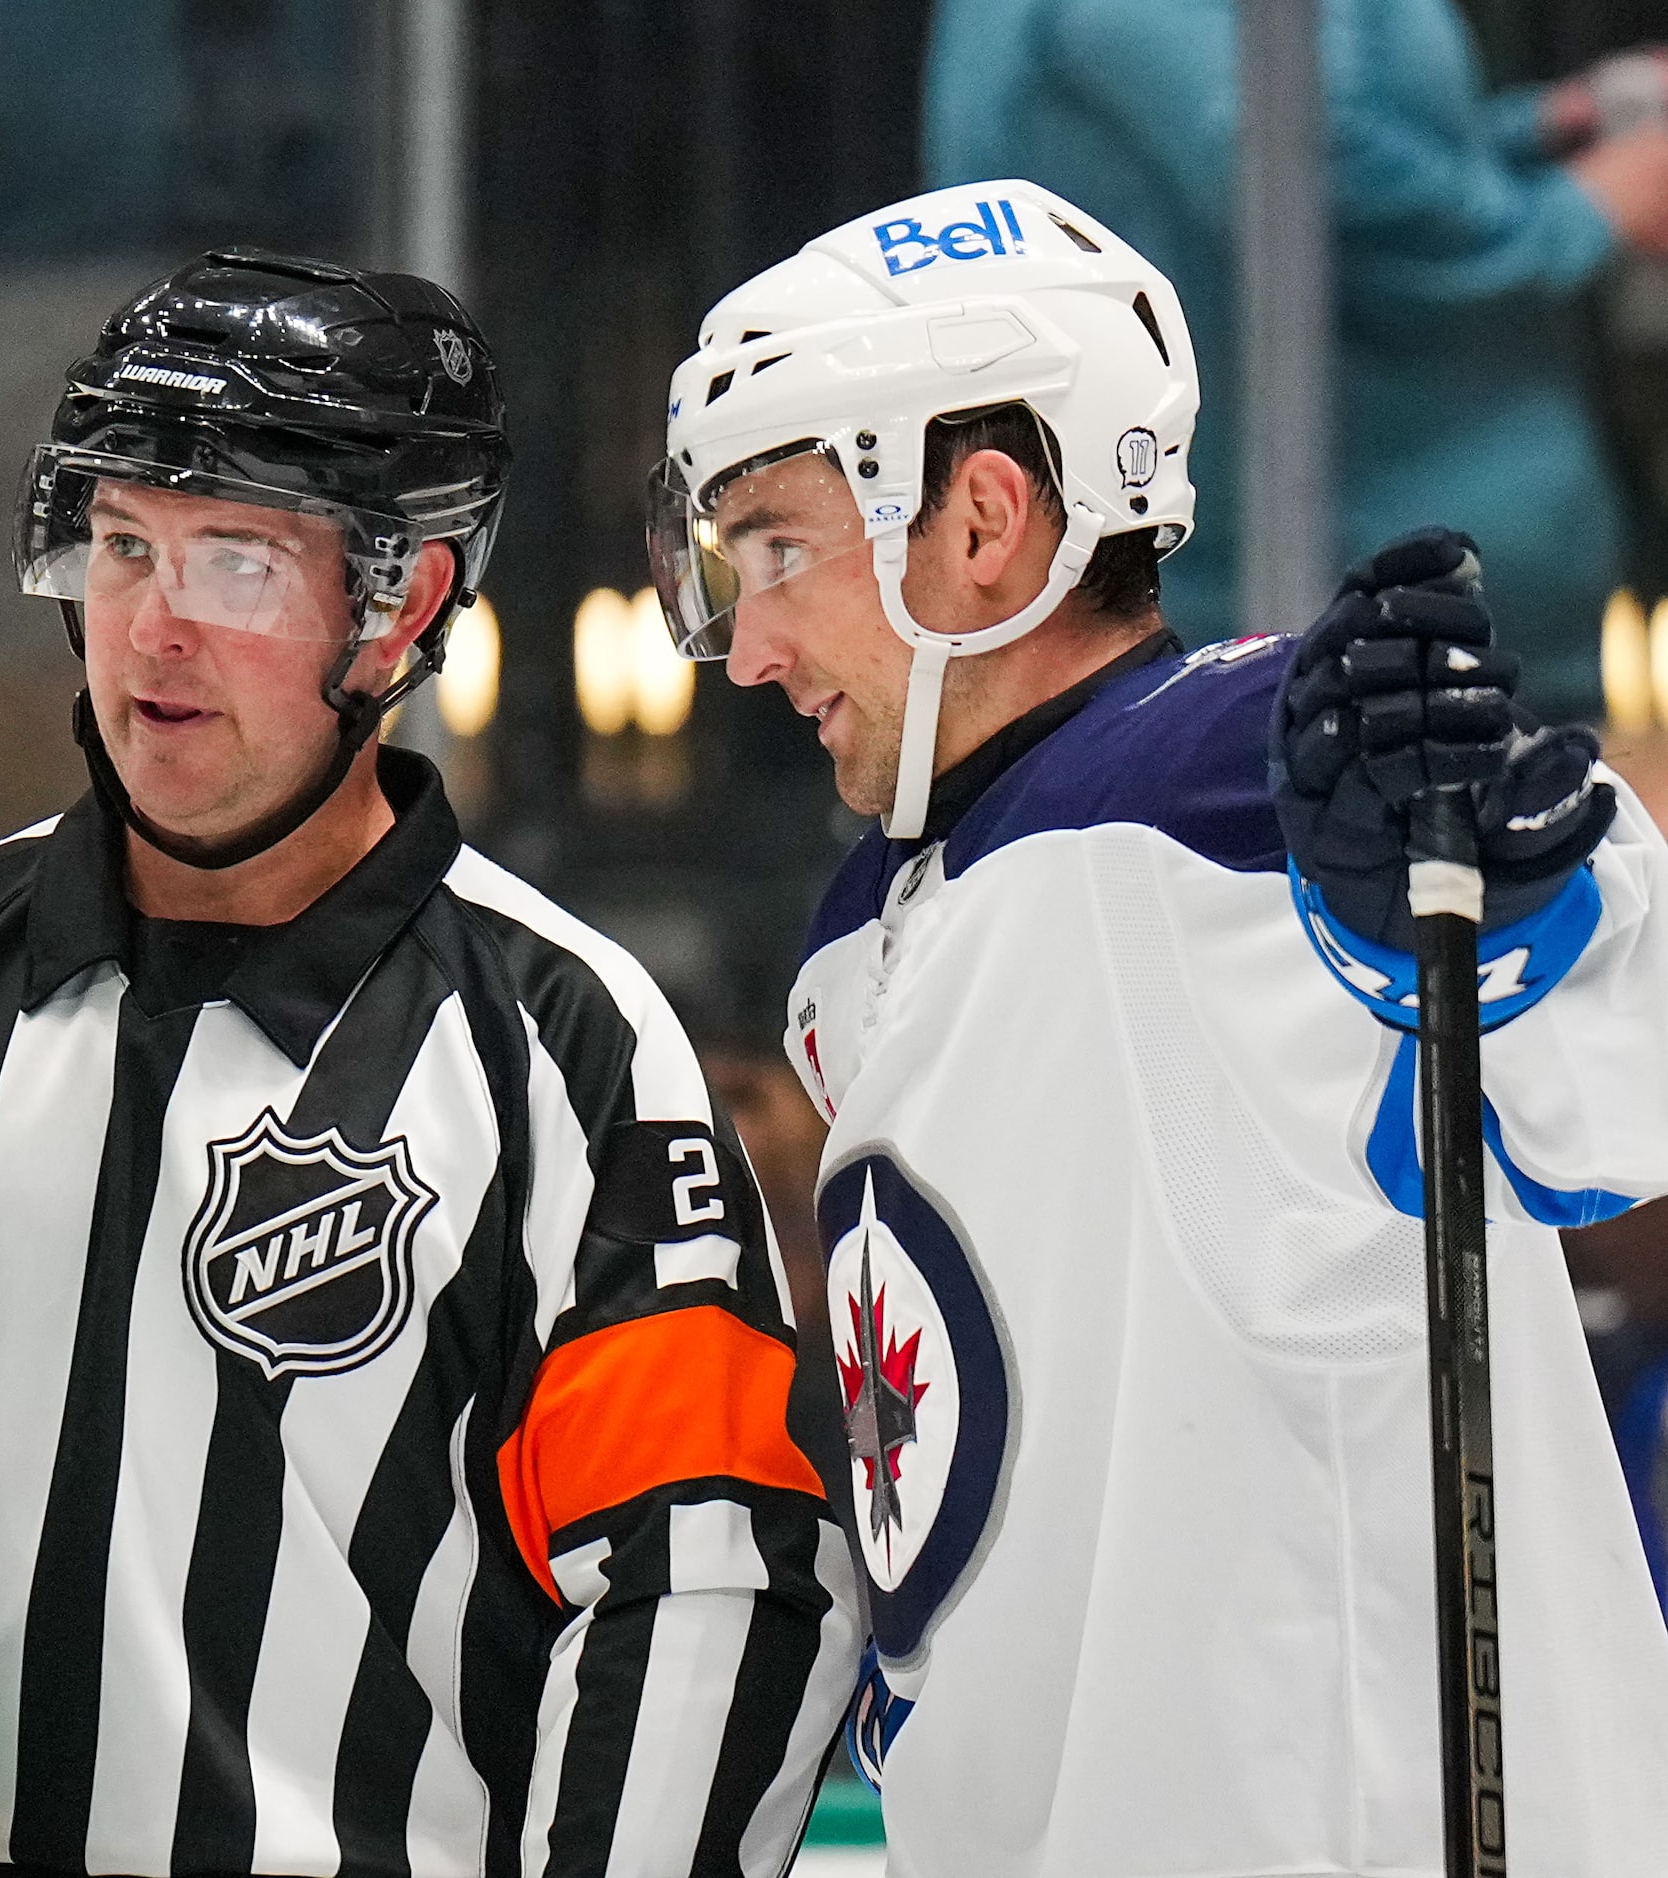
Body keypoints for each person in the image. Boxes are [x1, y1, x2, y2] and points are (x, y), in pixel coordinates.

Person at [651, 178, 1668, 1874]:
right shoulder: (863, 945)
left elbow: (1614, 1051)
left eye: (774, 550)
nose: (744, 646)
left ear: (980, 520)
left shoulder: (1257, 771)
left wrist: (1487, 859)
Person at [0, 251, 861, 1878]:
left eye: (233, 562)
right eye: (122, 543)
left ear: (404, 604)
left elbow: (710, 1577)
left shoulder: (561, 1040)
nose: (151, 625)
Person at [925, 0, 1668, 720]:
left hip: (1424, 634)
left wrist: (1536, 132)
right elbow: (1295, 170)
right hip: (1326, 647)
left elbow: (1330, 124)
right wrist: (1586, 205)